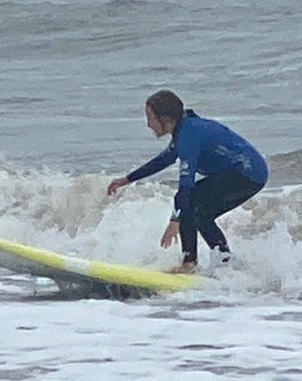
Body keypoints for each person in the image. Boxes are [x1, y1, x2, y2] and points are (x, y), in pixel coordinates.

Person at [106, 90, 268, 273]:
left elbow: (186, 185)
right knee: (201, 215)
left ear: (165, 119)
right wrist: (126, 180)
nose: (148, 124)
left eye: (150, 118)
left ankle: (189, 264)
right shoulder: (184, 129)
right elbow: (164, 160)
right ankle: (226, 265)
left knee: (189, 203)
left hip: (245, 172)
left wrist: (175, 220)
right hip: (254, 173)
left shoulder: (188, 136)